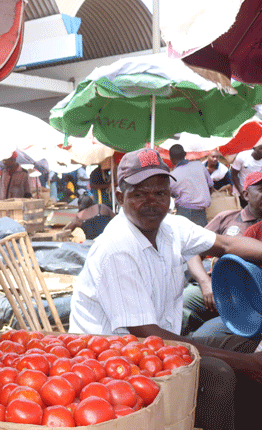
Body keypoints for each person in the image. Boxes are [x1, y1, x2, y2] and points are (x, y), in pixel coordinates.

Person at [68, 148, 262, 430]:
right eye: (139, 194)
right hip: (115, 361)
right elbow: (148, 334)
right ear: (121, 198)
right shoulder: (117, 249)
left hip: (162, 345)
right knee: (217, 373)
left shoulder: (171, 227)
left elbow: (227, 244)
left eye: (160, 193)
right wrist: (247, 364)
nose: (151, 202)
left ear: (170, 196)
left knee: (248, 346)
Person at [183, 171, 262, 336]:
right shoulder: (227, 218)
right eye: (261, 189)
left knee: (210, 335)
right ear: (246, 194)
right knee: (182, 302)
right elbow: (192, 252)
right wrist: (205, 283)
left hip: (251, 297)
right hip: (215, 286)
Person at [168, 144, 213, 227]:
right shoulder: (199, 165)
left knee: (182, 238)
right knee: (200, 238)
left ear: (171, 159)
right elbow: (210, 186)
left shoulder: (172, 175)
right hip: (201, 213)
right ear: (185, 154)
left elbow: (170, 194)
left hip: (183, 212)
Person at [230, 143, 262, 207]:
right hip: (241, 191)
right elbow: (233, 175)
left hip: (256, 192)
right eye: (261, 147)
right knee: (243, 212)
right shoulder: (242, 156)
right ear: (255, 147)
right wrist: (241, 191)